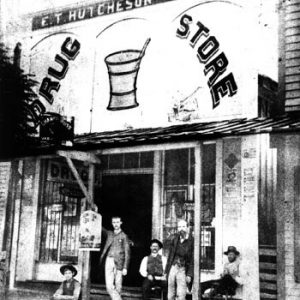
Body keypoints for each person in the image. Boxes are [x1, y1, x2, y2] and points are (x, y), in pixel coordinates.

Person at [100, 216, 131, 300]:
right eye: (114, 222)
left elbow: (127, 253)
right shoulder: (109, 233)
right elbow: (100, 227)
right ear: (112, 223)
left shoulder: (124, 236)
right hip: (109, 260)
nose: (116, 224)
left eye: (117, 222)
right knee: (109, 286)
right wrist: (95, 216)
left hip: (119, 262)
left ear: (121, 223)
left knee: (118, 286)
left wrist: (125, 267)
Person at [165, 219, 194, 300]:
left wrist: (189, 274)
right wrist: (166, 271)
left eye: (183, 226)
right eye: (179, 227)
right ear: (177, 229)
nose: (181, 229)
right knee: (170, 294)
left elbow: (193, 260)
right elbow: (170, 256)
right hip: (173, 267)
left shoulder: (192, 241)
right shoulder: (175, 239)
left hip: (183, 269)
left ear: (187, 228)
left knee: (181, 294)